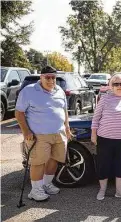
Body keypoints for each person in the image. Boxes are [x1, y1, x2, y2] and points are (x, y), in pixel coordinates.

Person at [15, 66, 72, 201]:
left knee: (54, 159)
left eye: (53, 77)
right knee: (38, 162)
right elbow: (19, 113)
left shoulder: (59, 91)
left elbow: (64, 111)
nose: (51, 80)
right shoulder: (29, 91)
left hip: (59, 133)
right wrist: (26, 131)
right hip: (38, 134)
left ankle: (46, 184)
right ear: (41, 77)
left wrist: (67, 128)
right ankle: (36, 190)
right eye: (47, 77)